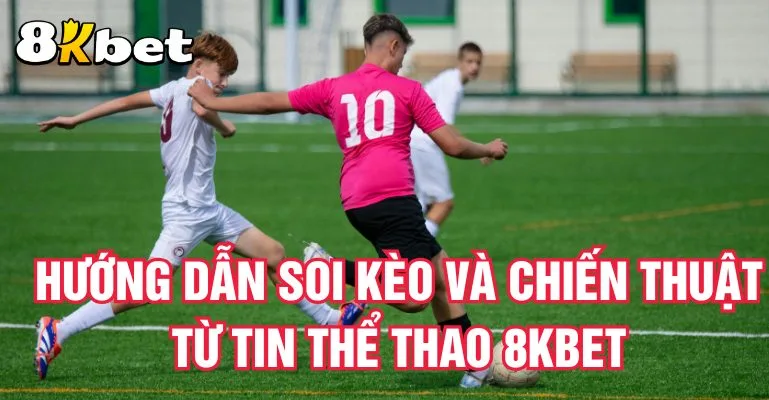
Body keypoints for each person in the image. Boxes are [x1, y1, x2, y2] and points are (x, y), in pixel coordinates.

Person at [187, 14, 508, 388]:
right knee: (414, 296)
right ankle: (328, 270)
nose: (402, 62)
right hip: (393, 198)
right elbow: (452, 145)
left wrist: (214, 100)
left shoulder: (335, 87)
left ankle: (474, 368)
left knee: (442, 279)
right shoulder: (408, 90)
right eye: (402, 53)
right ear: (393, 46)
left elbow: (271, 102)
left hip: (357, 199)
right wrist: (488, 148)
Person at [33, 32, 365, 381]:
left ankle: (329, 319)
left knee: (273, 253)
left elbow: (127, 101)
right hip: (187, 213)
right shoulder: (195, 89)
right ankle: (59, 328)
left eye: (228, 76)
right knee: (147, 289)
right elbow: (201, 107)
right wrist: (224, 126)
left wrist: (77, 118)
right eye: (222, 74)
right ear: (199, 65)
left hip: (209, 210)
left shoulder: (171, 89)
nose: (224, 83)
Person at [410, 42, 486, 237]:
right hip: (424, 144)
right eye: (469, 61)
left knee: (422, 205)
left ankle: (406, 248)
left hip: (413, 142)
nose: (474, 67)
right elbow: (444, 126)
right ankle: (418, 248)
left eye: (478, 62)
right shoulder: (453, 85)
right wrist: (480, 150)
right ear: (459, 62)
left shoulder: (449, 80)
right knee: (444, 203)